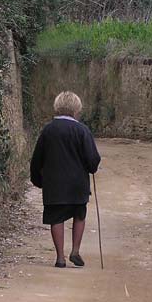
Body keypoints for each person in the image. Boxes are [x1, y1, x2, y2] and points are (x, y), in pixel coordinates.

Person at [30, 91, 101, 268]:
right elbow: (93, 159)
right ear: (77, 110)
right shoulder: (82, 130)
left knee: (56, 217)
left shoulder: (48, 130)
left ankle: (60, 257)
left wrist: (38, 180)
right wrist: (92, 167)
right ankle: (75, 250)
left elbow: (37, 159)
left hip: (54, 184)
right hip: (78, 184)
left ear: (57, 107)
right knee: (79, 215)